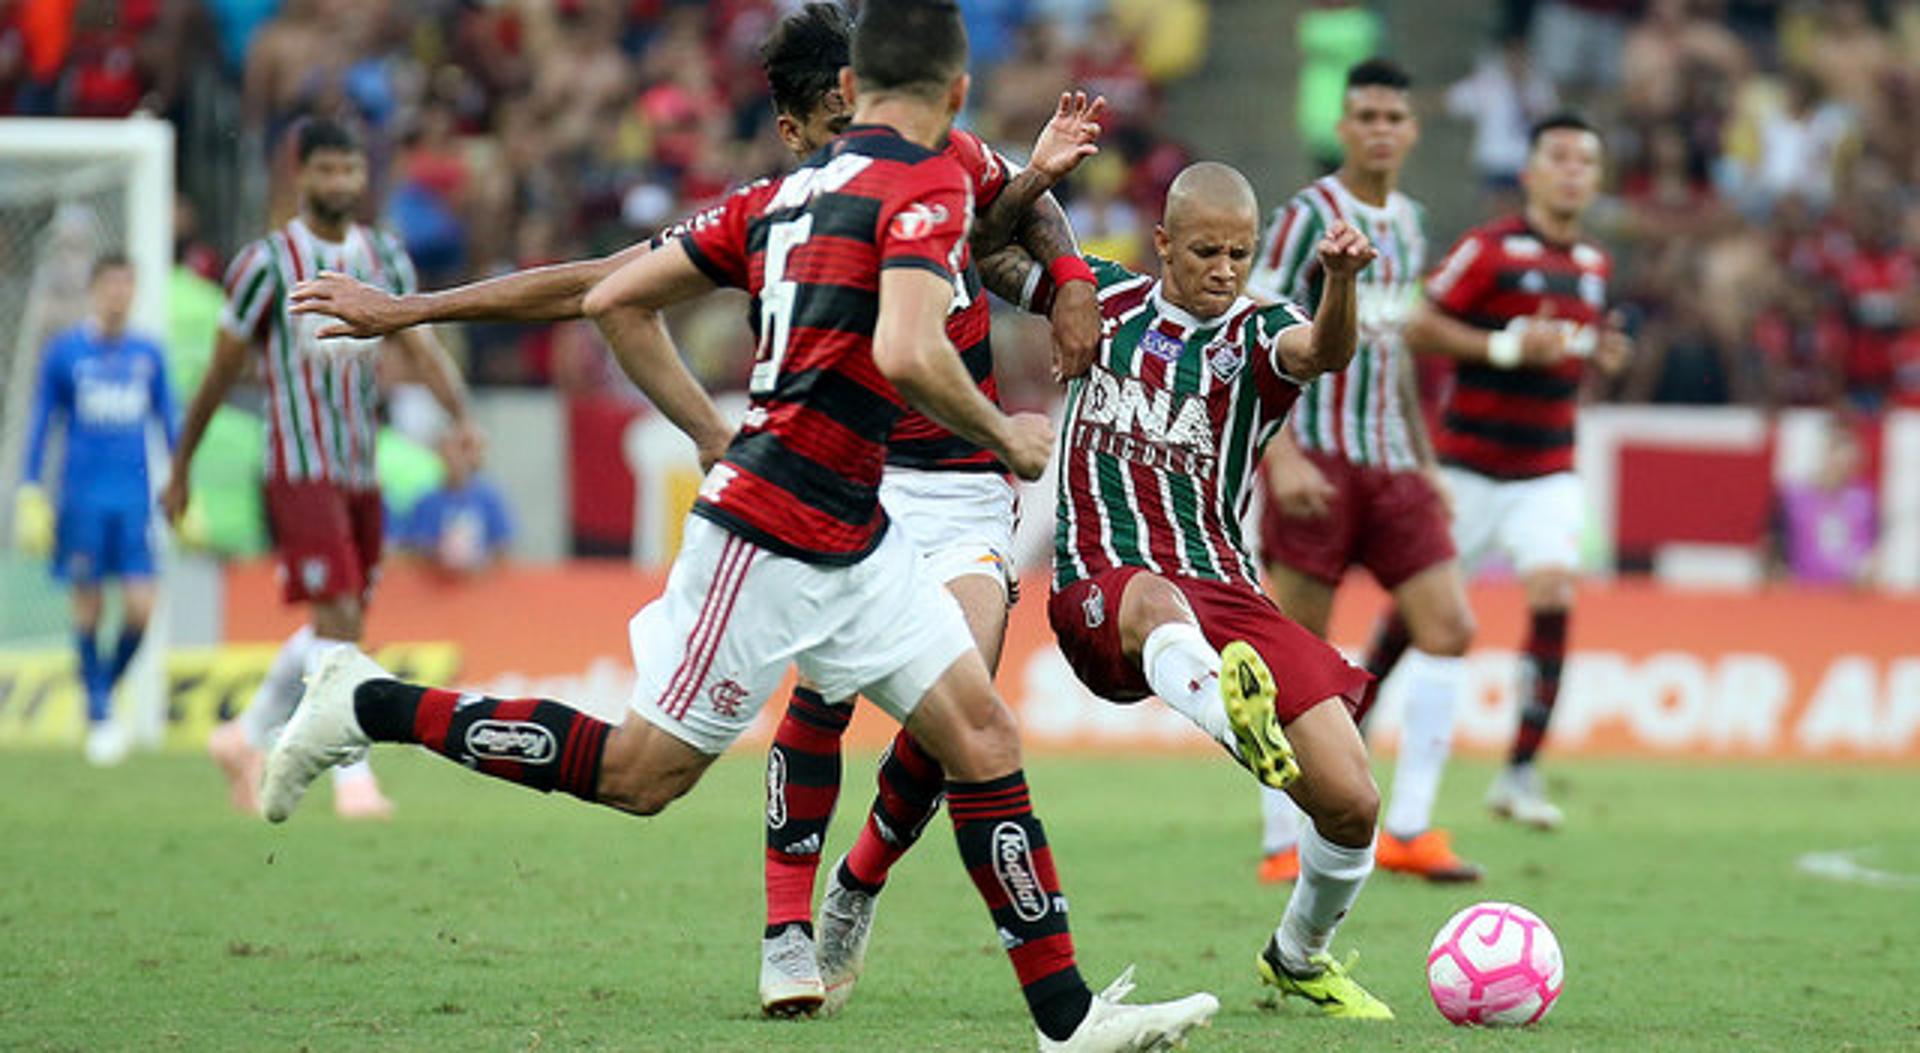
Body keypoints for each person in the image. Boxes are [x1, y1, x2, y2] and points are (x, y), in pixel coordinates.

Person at [260, 4, 1219, 1050]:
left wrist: (708, 427)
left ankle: (1067, 1022)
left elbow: (615, 296)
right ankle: (369, 700)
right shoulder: (924, 177)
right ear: (949, 92)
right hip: (768, 532)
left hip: (855, 531)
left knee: (981, 733)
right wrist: (1003, 430)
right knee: (641, 776)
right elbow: (900, 349)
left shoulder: (784, 197)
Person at [1045, 160, 1394, 1018]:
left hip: (1225, 588)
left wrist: (1340, 283)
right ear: (1162, 242)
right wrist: (1054, 236)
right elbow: (992, 239)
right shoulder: (1100, 296)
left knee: (1352, 802)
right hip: (1105, 582)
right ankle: (1238, 722)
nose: (1224, 269)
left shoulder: (1257, 330)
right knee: (1158, 599)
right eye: (1205, 250)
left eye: (1239, 252)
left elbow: (1324, 348)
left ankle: (1298, 956)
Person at [161, 117, 479, 820]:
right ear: (298, 175)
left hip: (359, 468)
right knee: (338, 617)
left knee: (345, 618)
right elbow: (218, 372)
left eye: (350, 170)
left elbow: (421, 347)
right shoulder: (265, 264)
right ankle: (353, 780)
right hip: (296, 466)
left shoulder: (386, 258)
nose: (339, 183)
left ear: (364, 177)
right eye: (326, 171)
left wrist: (461, 417)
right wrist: (180, 467)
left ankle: (240, 735)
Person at [1248, 59, 1481, 886]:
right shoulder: (1304, 217)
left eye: (1394, 115)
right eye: (1366, 115)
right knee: (1297, 655)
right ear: (1344, 127)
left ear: (1411, 131)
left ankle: (1411, 826)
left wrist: (1427, 463)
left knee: (1448, 623)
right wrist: (1278, 454)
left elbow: (1393, 357)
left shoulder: (1412, 224)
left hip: (1392, 463)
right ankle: (1283, 840)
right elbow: (1252, 333)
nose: (1381, 128)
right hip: (1315, 458)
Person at [1401, 112, 1632, 829]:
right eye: (1558, 157)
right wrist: (1503, 347)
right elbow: (1418, 320)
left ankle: (1520, 770)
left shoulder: (1595, 265)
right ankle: (1346, 725)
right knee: (1419, 614)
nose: (1571, 170)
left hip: (1546, 468)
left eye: (1584, 161)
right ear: (1530, 172)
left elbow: (1576, 348)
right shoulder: (1489, 249)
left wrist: (1604, 357)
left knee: (1554, 589)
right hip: (1469, 465)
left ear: (1594, 179)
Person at [15, 254, 176, 766]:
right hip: (81, 501)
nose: (118, 294)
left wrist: (183, 487)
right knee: (87, 606)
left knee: (140, 608)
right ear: (94, 290)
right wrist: (29, 489)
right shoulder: (66, 354)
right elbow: (43, 420)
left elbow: (168, 421)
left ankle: (100, 691)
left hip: (135, 504)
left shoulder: (148, 353)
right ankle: (103, 711)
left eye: (127, 285)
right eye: (110, 285)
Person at [393, 429, 512, 577]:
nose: (455, 458)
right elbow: (411, 547)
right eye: (448, 452)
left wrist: (478, 562)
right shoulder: (426, 501)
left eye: (461, 451)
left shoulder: (489, 498)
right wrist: (439, 555)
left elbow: (504, 547)